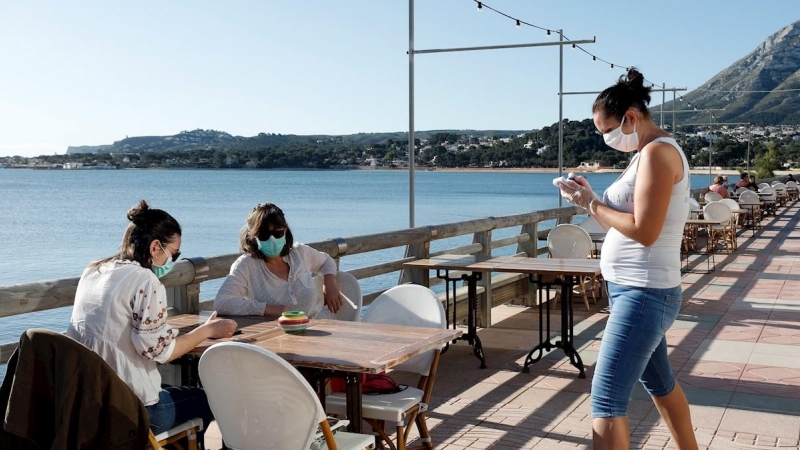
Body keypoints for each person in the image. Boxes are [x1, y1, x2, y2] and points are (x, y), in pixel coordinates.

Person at [555, 68, 698, 450]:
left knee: (606, 400)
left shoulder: (657, 153)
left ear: (631, 118)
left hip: (644, 293)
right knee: (660, 383)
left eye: (607, 130)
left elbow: (644, 230)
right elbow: (633, 212)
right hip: (636, 290)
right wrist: (591, 197)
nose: (606, 139)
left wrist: (591, 203)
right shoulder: (647, 153)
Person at [67, 200, 238, 446]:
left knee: (173, 391)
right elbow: (160, 351)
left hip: (87, 405)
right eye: (175, 254)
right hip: (129, 412)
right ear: (156, 247)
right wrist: (208, 330)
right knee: (206, 399)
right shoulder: (145, 280)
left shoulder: (94, 270)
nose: (174, 261)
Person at [214, 202, 343, 318]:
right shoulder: (246, 265)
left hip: (322, 328)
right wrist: (268, 309)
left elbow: (327, 261)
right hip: (279, 336)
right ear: (253, 237)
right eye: (264, 235)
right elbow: (221, 303)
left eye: (277, 233)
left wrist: (329, 282)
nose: (272, 239)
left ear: (285, 230)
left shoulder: (300, 253)